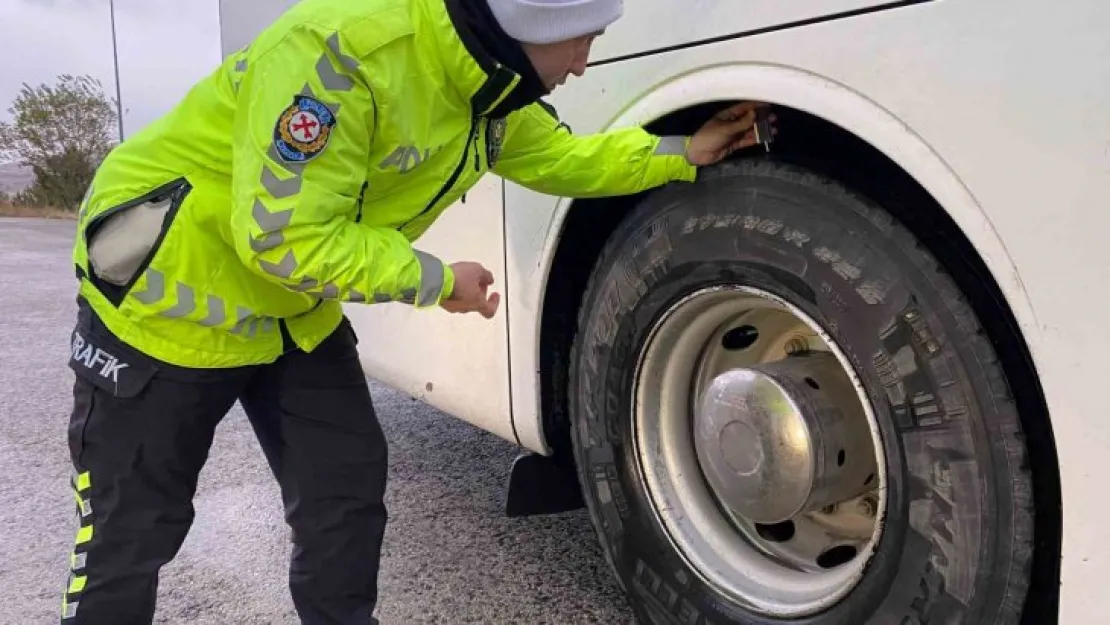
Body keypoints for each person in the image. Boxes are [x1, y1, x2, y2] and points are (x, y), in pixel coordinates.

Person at [59, 0, 773, 623]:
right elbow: (280, 237)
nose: (586, 62)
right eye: (578, 38)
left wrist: (683, 150)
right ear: (516, 21)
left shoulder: (486, 91)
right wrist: (436, 280)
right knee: (131, 533)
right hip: (168, 305)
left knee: (344, 496)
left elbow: (569, 161)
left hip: (290, 314)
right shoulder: (339, 55)